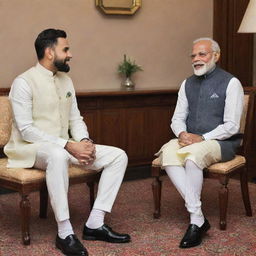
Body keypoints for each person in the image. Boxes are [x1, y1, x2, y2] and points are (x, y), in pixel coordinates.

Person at [4, 28, 130, 256]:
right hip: (30, 149)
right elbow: (26, 130)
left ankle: (95, 223)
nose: (70, 54)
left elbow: (76, 118)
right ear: (49, 52)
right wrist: (68, 145)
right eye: (66, 49)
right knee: (58, 154)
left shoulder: (66, 80)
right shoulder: (23, 82)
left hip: (64, 146)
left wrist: (84, 141)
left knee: (118, 156)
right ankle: (64, 232)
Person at [155, 37, 244, 248]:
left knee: (193, 158)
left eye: (202, 54)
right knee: (167, 152)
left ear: (216, 56)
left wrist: (202, 137)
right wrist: (182, 133)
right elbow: (177, 118)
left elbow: (232, 125)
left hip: (221, 142)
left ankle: (195, 222)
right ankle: (199, 216)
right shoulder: (187, 83)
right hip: (190, 140)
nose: (196, 59)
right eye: (193, 55)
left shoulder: (231, 83)